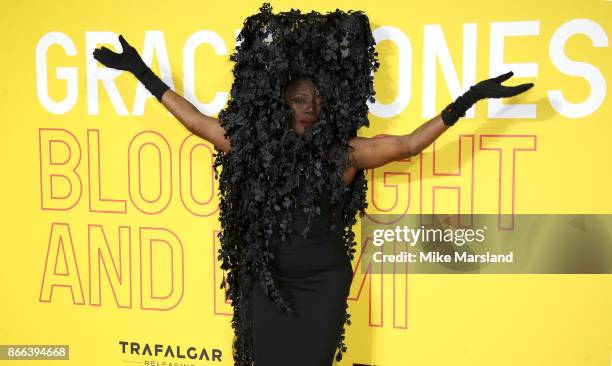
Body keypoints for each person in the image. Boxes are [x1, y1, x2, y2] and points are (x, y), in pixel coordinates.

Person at [93, 10, 533, 366]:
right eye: (301, 100)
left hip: (322, 284)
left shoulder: (344, 153)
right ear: (283, 102)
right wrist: (140, 71)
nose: (310, 108)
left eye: (318, 101)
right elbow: (195, 121)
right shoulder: (249, 142)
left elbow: (408, 145)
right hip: (268, 283)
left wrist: (470, 99)